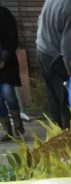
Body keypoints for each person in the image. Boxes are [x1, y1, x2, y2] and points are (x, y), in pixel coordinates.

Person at [36, 0, 71, 129]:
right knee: (66, 98)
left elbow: (40, 20)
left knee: (53, 96)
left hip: (41, 49)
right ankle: (68, 133)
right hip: (57, 56)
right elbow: (67, 43)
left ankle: (56, 131)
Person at [0, 6, 23, 140]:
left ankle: (18, 125)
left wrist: (4, 58)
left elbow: (12, 36)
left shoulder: (4, 14)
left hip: (6, 63)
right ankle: (7, 130)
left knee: (8, 93)